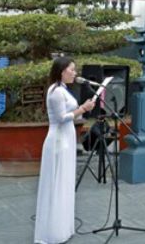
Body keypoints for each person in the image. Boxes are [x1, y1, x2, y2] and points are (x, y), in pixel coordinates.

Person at [34, 56, 95, 244]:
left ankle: (62, 227)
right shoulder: (55, 92)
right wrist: (83, 108)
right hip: (58, 140)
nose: (75, 73)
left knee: (65, 181)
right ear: (62, 71)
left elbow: (70, 116)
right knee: (57, 182)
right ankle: (52, 231)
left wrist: (83, 109)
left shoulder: (63, 90)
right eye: (72, 70)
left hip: (66, 138)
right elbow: (61, 117)